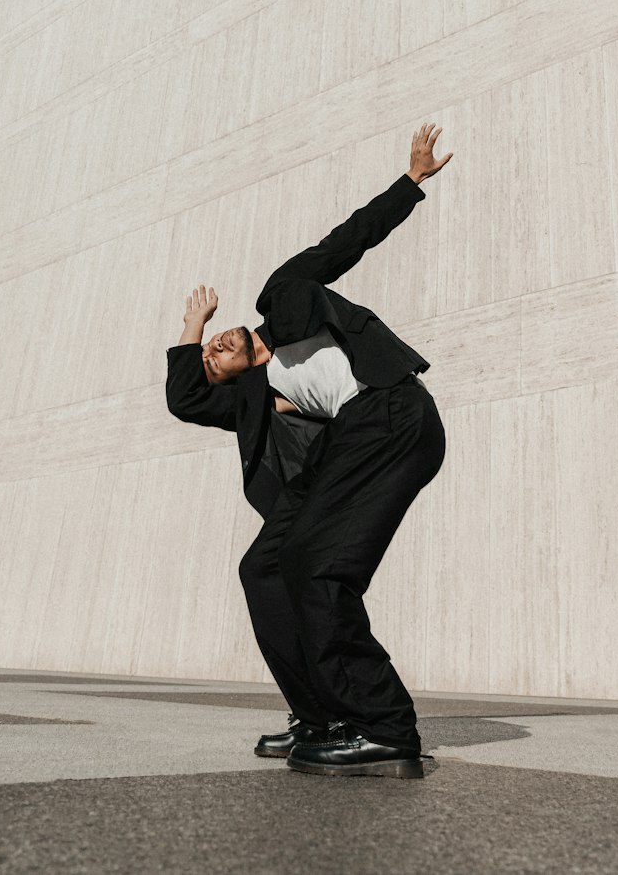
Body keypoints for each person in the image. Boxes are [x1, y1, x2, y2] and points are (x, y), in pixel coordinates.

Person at [166, 122, 453, 779]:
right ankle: (321, 715)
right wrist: (189, 329)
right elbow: (186, 398)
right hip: (348, 450)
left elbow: (344, 241)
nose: (214, 350)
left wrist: (409, 183)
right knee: (266, 569)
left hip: (391, 414)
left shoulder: (286, 295)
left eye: (215, 344)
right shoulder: (257, 396)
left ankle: (382, 728)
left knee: (319, 568)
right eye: (211, 358)